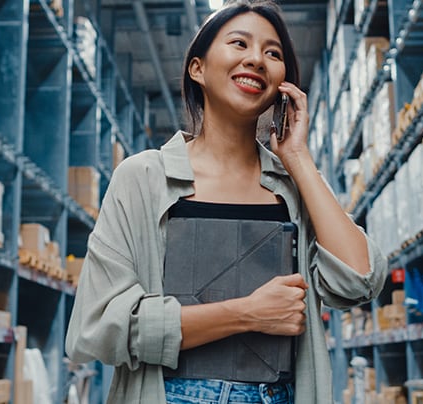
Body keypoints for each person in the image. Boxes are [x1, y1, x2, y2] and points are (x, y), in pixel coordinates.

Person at [65, 1, 388, 403]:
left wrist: (300, 160)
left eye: (273, 53)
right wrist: (247, 313)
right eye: (240, 44)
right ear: (197, 68)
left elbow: (360, 281)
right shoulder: (144, 178)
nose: (256, 59)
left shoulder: (293, 186)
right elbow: (98, 328)